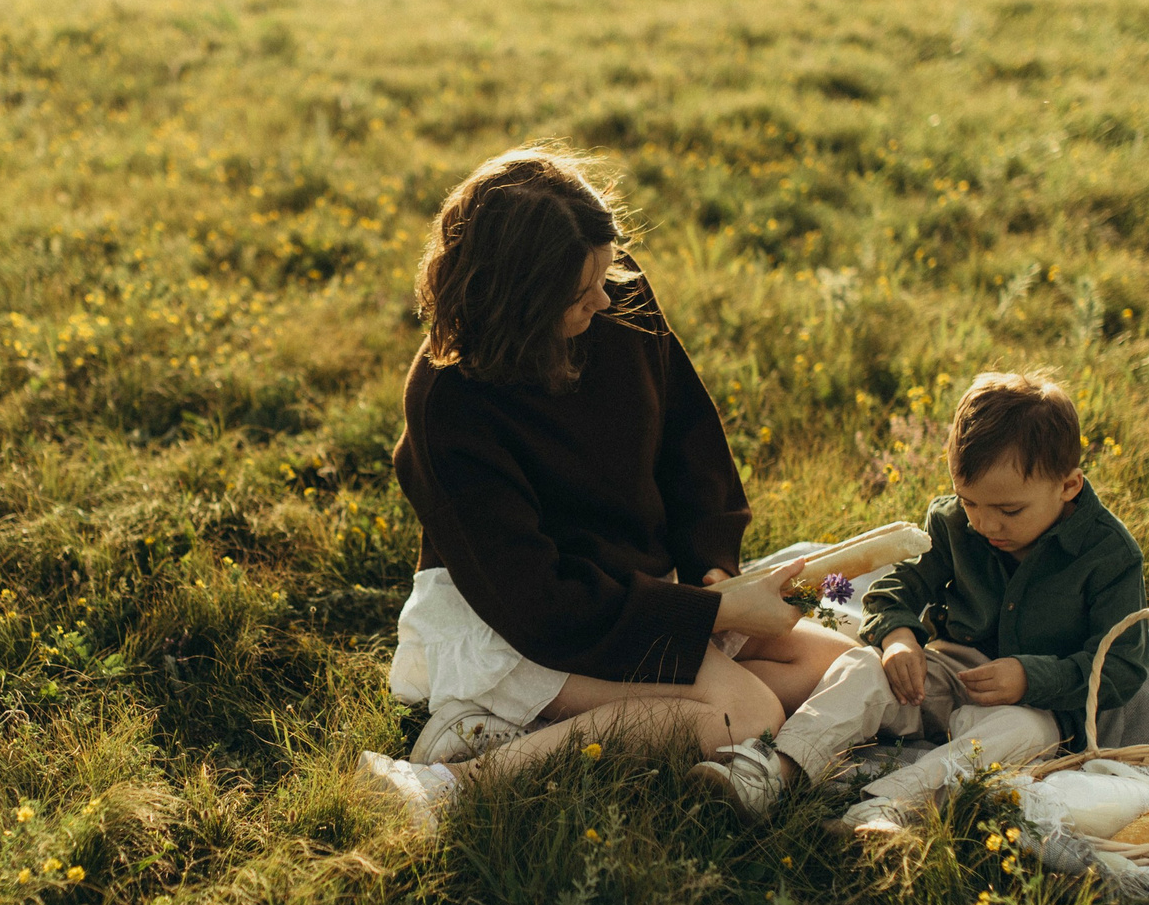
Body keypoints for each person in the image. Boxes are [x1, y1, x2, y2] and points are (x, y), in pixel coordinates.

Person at [361, 145, 852, 828]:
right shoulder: (451, 402)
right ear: (516, 304)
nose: (604, 297)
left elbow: (687, 434)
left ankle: (534, 727)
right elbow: (539, 603)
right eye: (578, 293)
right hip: (521, 621)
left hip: (635, 593)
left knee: (835, 663)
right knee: (748, 710)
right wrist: (720, 616)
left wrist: (713, 572)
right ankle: (452, 780)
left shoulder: (613, 292)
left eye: (606, 272)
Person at [692, 370, 1149, 828]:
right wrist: (898, 638)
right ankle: (776, 770)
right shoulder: (953, 523)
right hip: (946, 673)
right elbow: (896, 589)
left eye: (1009, 511)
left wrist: (1031, 677)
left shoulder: (1109, 555)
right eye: (969, 502)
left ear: (1068, 486)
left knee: (1023, 734)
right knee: (862, 666)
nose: (986, 525)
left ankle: (887, 806)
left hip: (1037, 705)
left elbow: (1122, 666)